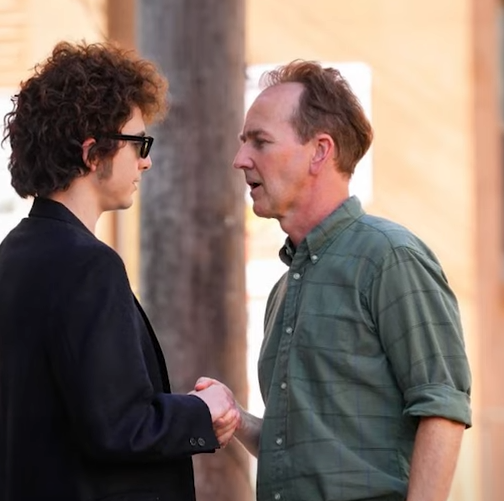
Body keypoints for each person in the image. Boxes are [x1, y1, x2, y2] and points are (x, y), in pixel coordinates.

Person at [0, 41, 239, 501]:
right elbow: (119, 426)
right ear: (93, 153)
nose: (146, 161)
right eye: (138, 144)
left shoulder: (10, 260)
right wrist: (203, 411)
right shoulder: (88, 265)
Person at [197, 61, 472, 501]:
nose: (240, 159)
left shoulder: (390, 256)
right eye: (243, 142)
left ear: (320, 151)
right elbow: (301, 453)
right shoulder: (283, 290)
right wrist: (238, 418)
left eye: (260, 142)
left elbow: (442, 409)